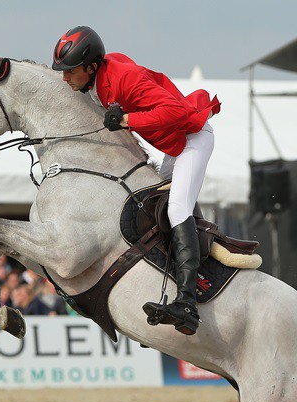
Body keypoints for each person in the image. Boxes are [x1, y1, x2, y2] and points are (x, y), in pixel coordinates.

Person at [51, 26, 221, 335]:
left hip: (193, 138)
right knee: (152, 206)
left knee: (177, 210)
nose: (65, 78)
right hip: (175, 144)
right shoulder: (99, 76)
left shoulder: (123, 78)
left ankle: (187, 304)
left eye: (69, 71)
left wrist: (128, 120)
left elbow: (177, 111)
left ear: (90, 67)